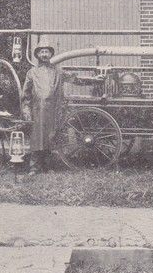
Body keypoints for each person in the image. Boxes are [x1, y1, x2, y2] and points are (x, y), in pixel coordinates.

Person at [21, 38, 102, 174]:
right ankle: (34, 168)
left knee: (52, 138)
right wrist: (26, 111)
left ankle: (49, 166)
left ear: (51, 54)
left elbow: (75, 79)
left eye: (47, 52)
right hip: (37, 111)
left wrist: (93, 80)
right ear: (37, 55)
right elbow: (26, 94)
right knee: (37, 139)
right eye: (42, 52)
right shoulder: (32, 73)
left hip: (54, 111)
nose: (44, 54)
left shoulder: (58, 72)